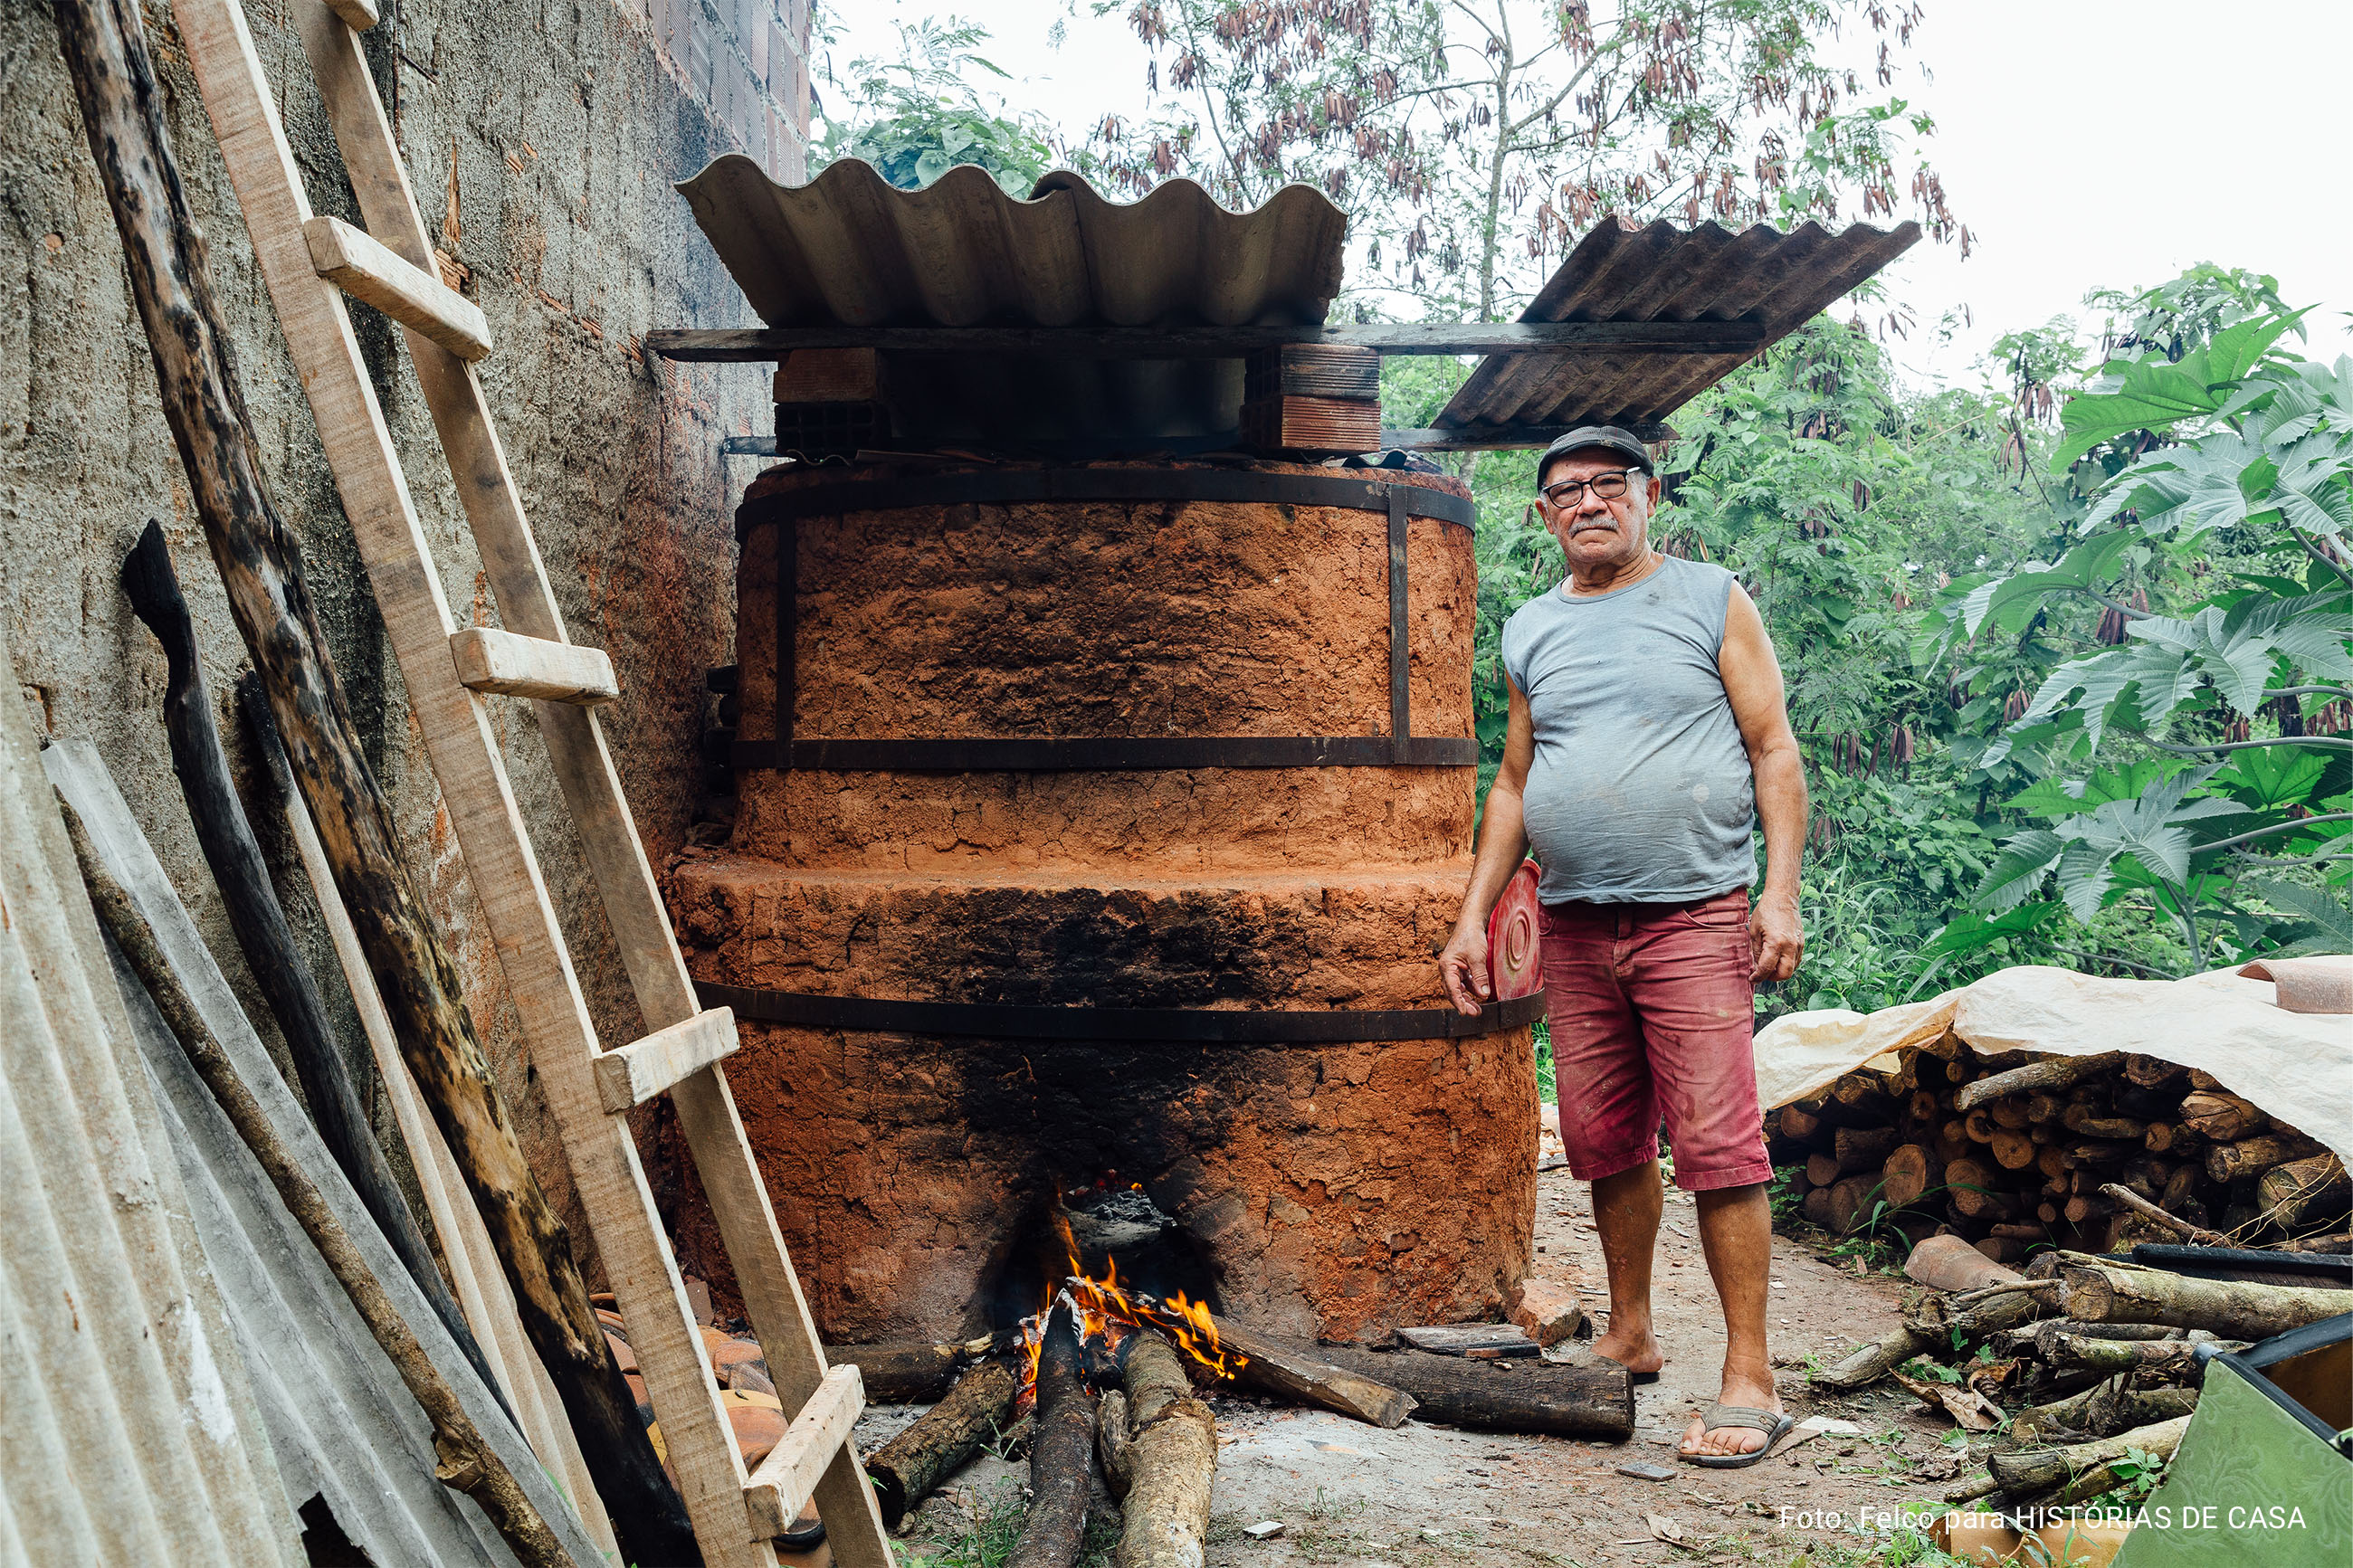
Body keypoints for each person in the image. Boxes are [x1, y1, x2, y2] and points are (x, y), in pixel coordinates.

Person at [1437, 425, 1808, 1468]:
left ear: (1646, 498)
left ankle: (1749, 1373)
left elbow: (1770, 745)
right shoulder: (1530, 629)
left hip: (1691, 911)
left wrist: (1777, 893)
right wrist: (1473, 912)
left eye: (1609, 484)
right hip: (1572, 920)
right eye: (1566, 490)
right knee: (1605, 1140)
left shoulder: (1708, 596)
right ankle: (1629, 1329)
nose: (1589, 501)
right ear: (1545, 515)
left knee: (1719, 1143)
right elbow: (1512, 781)